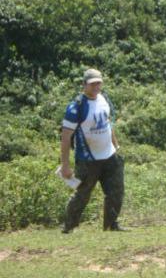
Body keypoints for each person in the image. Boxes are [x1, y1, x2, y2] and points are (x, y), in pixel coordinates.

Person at [60, 68, 126, 233]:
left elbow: (107, 123)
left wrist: (115, 145)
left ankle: (111, 225)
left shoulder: (103, 99)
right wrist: (65, 165)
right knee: (83, 194)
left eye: (99, 82)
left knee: (116, 191)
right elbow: (66, 137)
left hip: (109, 155)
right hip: (88, 159)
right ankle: (68, 227)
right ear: (84, 85)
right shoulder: (76, 107)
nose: (96, 86)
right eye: (92, 83)